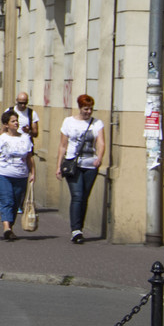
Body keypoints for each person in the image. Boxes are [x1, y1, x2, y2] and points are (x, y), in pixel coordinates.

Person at [56, 94, 106, 244]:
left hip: (90, 165)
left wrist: (100, 157)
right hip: (73, 165)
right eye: (86, 109)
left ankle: (80, 227)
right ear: (80, 107)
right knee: (77, 196)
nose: (88, 112)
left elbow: (101, 142)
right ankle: (75, 230)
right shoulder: (69, 122)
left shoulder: (97, 123)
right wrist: (58, 165)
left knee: (84, 197)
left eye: (90, 109)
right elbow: (63, 145)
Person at [0, 109, 35, 240]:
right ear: (6, 124)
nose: (16, 123)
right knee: (7, 200)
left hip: (21, 176)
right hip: (3, 174)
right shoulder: (1, 139)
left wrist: (33, 173)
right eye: (13, 121)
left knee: (16, 203)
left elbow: (29, 157)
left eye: (17, 120)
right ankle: (6, 228)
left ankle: (9, 227)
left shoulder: (25, 138)